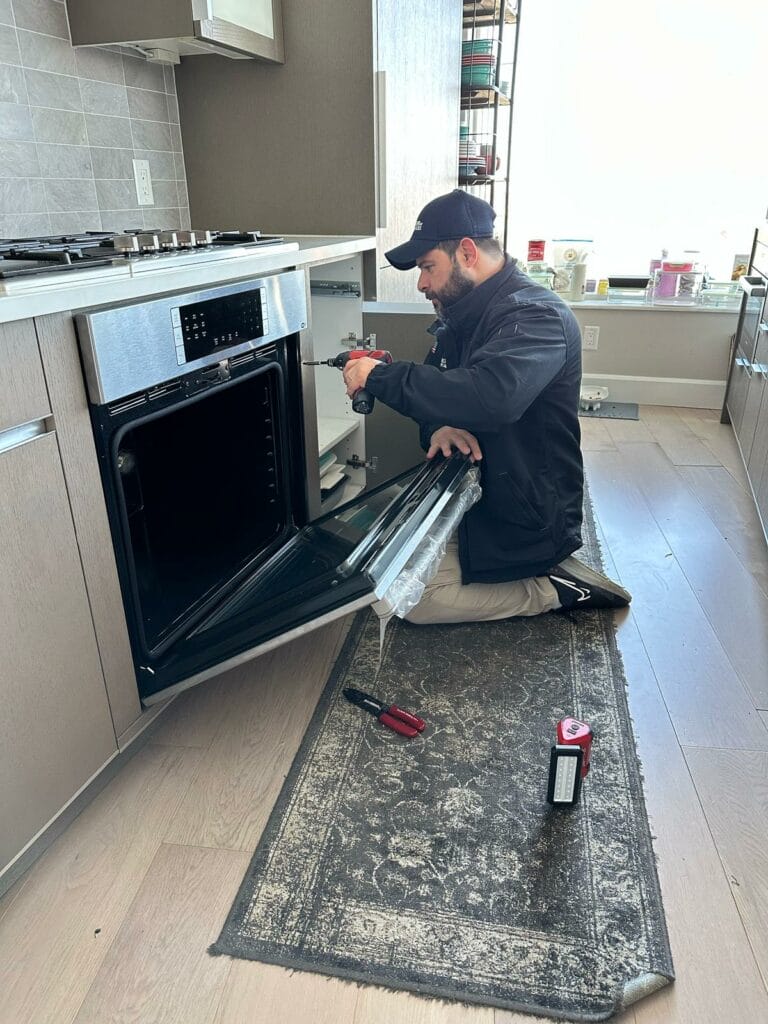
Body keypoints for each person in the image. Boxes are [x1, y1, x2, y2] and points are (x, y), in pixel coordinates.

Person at [341, 189, 631, 624]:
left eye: (427, 267)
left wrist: (378, 376)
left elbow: (491, 398)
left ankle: (554, 588)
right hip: (477, 488)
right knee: (374, 554)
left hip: (525, 511)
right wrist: (437, 428)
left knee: (413, 600)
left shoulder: (535, 317)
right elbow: (440, 393)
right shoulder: (460, 315)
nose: (421, 283)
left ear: (468, 252)